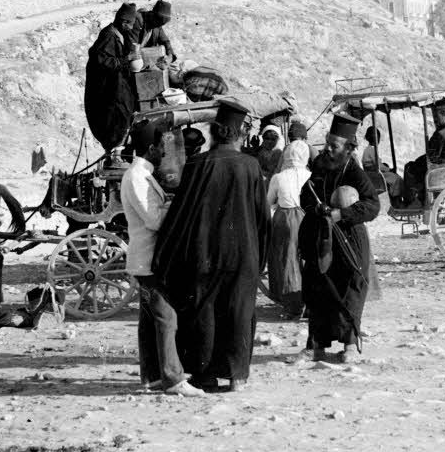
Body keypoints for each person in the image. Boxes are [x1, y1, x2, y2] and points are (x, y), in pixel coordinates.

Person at [153, 98, 268, 392]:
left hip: (203, 253)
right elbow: (261, 217)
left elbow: (182, 213)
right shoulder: (251, 166)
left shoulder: (197, 164)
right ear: (240, 135)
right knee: (239, 311)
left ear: (214, 133)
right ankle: (237, 376)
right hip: (243, 253)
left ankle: (204, 376)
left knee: (203, 311)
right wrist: (260, 257)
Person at [123, 122, 203, 397]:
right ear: (150, 148)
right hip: (147, 259)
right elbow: (155, 220)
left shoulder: (142, 174)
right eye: (160, 147)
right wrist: (176, 204)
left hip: (144, 258)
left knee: (149, 319)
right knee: (166, 317)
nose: (163, 152)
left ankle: (152, 376)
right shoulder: (137, 177)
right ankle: (173, 379)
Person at [299, 112, 379, 363]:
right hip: (320, 235)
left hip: (348, 239)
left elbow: (372, 205)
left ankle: (350, 345)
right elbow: (305, 195)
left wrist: (342, 214)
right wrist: (317, 208)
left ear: (348, 148)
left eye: (334, 146)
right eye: (327, 144)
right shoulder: (320, 165)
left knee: (350, 290)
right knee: (317, 289)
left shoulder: (354, 172)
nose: (328, 149)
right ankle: (316, 346)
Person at [84, 3, 139, 154]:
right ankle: (114, 150)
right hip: (106, 89)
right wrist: (127, 59)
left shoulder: (118, 34)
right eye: (130, 24)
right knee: (114, 118)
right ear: (124, 22)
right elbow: (101, 61)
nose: (131, 28)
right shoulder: (108, 36)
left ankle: (120, 146)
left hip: (116, 84)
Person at [265, 139, 311, 319]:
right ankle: (310, 303)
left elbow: (268, 202)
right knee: (308, 260)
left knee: (287, 261)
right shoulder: (311, 175)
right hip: (307, 218)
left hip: (285, 220)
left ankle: (292, 305)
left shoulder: (278, 177)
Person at [360, 125, 403, 203]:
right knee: (397, 179)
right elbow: (378, 166)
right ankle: (396, 199)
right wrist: (389, 169)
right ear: (376, 139)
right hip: (377, 175)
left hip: (372, 175)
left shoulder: (367, 150)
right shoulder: (372, 150)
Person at [135, 0, 175, 67]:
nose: (159, 25)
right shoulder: (138, 22)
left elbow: (165, 41)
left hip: (147, 60)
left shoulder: (157, 25)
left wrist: (170, 56)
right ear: (152, 14)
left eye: (161, 24)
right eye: (158, 22)